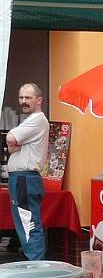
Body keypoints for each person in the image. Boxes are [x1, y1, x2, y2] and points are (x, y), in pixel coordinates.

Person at [6, 83, 49, 260]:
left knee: (28, 223)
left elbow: (10, 138)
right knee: (27, 223)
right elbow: (10, 146)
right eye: (21, 97)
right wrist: (15, 143)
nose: (24, 101)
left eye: (28, 97)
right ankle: (35, 264)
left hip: (25, 178)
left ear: (39, 100)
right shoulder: (31, 120)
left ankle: (36, 266)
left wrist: (15, 141)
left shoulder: (37, 119)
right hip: (22, 178)